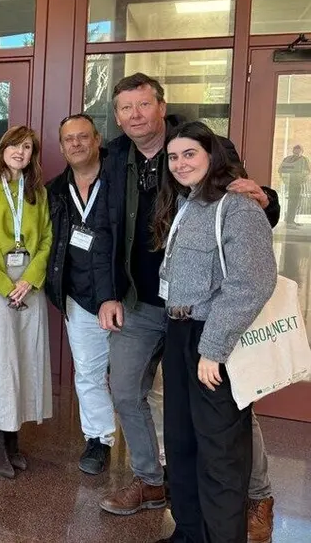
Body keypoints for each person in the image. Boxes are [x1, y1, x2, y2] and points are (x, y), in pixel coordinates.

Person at [94, 73, 280, 530]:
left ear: (161, 106)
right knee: (162, 416)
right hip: (145, 302)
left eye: (143, 105)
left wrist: (268, 200)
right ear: (116, 116)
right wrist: (107, 294)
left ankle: (256, 498)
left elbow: (247, 201)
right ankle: (157, 488)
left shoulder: (203, 144)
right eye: (124, 108)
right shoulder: (116, 157)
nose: (134, 115)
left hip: (208, 317)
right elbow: (103, 227)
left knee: (226, 421)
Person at [153, 121, 276, 543]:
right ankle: (189, 533)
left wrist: (214, 349)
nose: (180, 163)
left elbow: (252, 283)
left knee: (220, 454)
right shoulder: (187, 204)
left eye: (190, 154)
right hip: (180, 332)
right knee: (182, 444)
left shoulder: (238, 208)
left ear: (211, 155)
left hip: (212, 340)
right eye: (173, 156)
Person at [0, 125, 52, 478]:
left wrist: (30, 280)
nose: (20, 152)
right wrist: (6, 286)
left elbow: (47, 238)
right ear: (2, 148)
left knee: (27, 358)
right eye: (15, 146)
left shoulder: (37, 192)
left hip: (30, 285)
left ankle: (13, 437)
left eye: (28, 147)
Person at [44, 114, 115, 475]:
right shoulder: (55, 190)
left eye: (83, 137)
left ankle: (162, 455)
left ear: (97, 139)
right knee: (87, 373)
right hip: (79, 296)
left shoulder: (120, 179)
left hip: (124, 295)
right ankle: (98, 439)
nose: (76, 144)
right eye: (68, 139)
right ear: (61, 146)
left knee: (143, 381)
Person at [278, 144, 310, 226]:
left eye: (299, 151)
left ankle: (291, 219)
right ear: (293, 151)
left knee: (296, 202)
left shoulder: (305, 160)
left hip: (299, 184)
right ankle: (289, 220)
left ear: (302, 152)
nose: (297, 152)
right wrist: (285, 180)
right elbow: (281, 170)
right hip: (289, 183)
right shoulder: (287, 159)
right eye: (295, 150)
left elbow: (308, 171)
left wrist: (303, 179)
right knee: (291, 201)